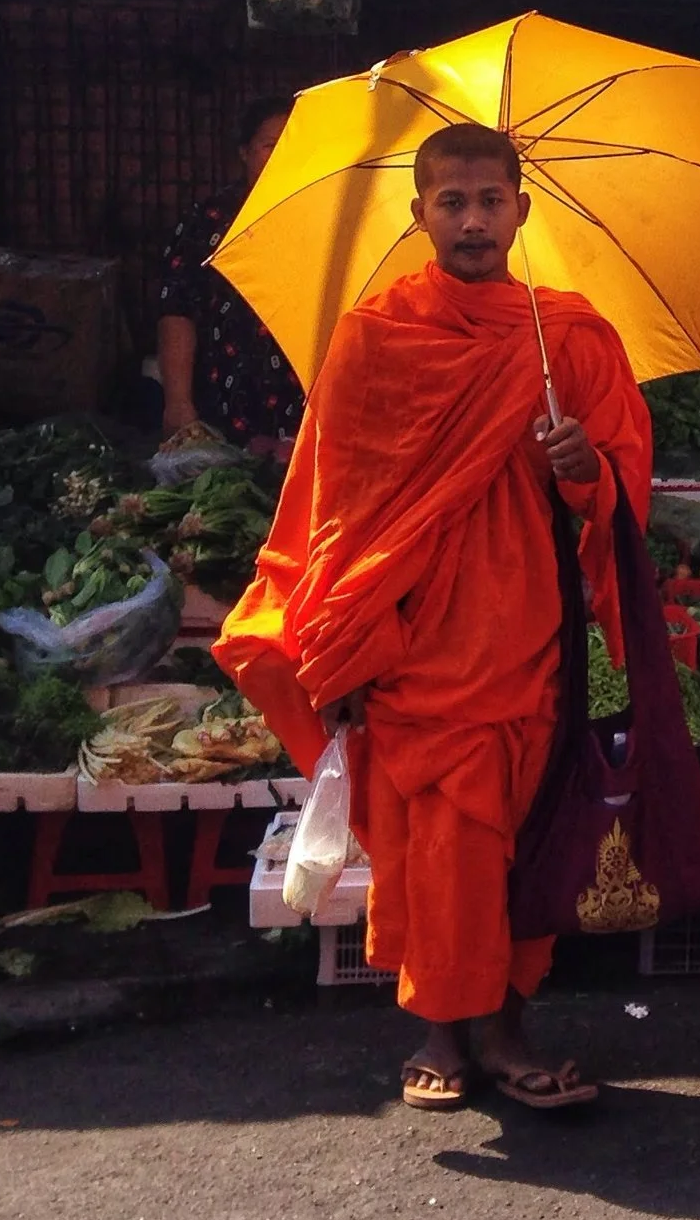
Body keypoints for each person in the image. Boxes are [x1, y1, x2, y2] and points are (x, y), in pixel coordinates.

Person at [216, 123, 651, 1114]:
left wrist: (581, 469)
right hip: (416, 636)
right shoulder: (377, 336)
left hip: (526, 629)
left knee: (518, 837)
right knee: (434, 844)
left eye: (489, 201)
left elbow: (621, 481)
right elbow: (336, 499)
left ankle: (508, 1028)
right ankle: (439, 1030)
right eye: (450, 203)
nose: (471, 221)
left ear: (520, 210)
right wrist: (349, 635)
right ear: (419, 216)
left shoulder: (569, 336)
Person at [155, 107, 305, 453]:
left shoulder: (326, 219)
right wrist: (178, 401)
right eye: (270, 145)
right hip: (225, 402)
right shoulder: (208, 220)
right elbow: (177, 308)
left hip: (305, 410)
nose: (282, 155)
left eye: (292, 144)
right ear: (244, 152)